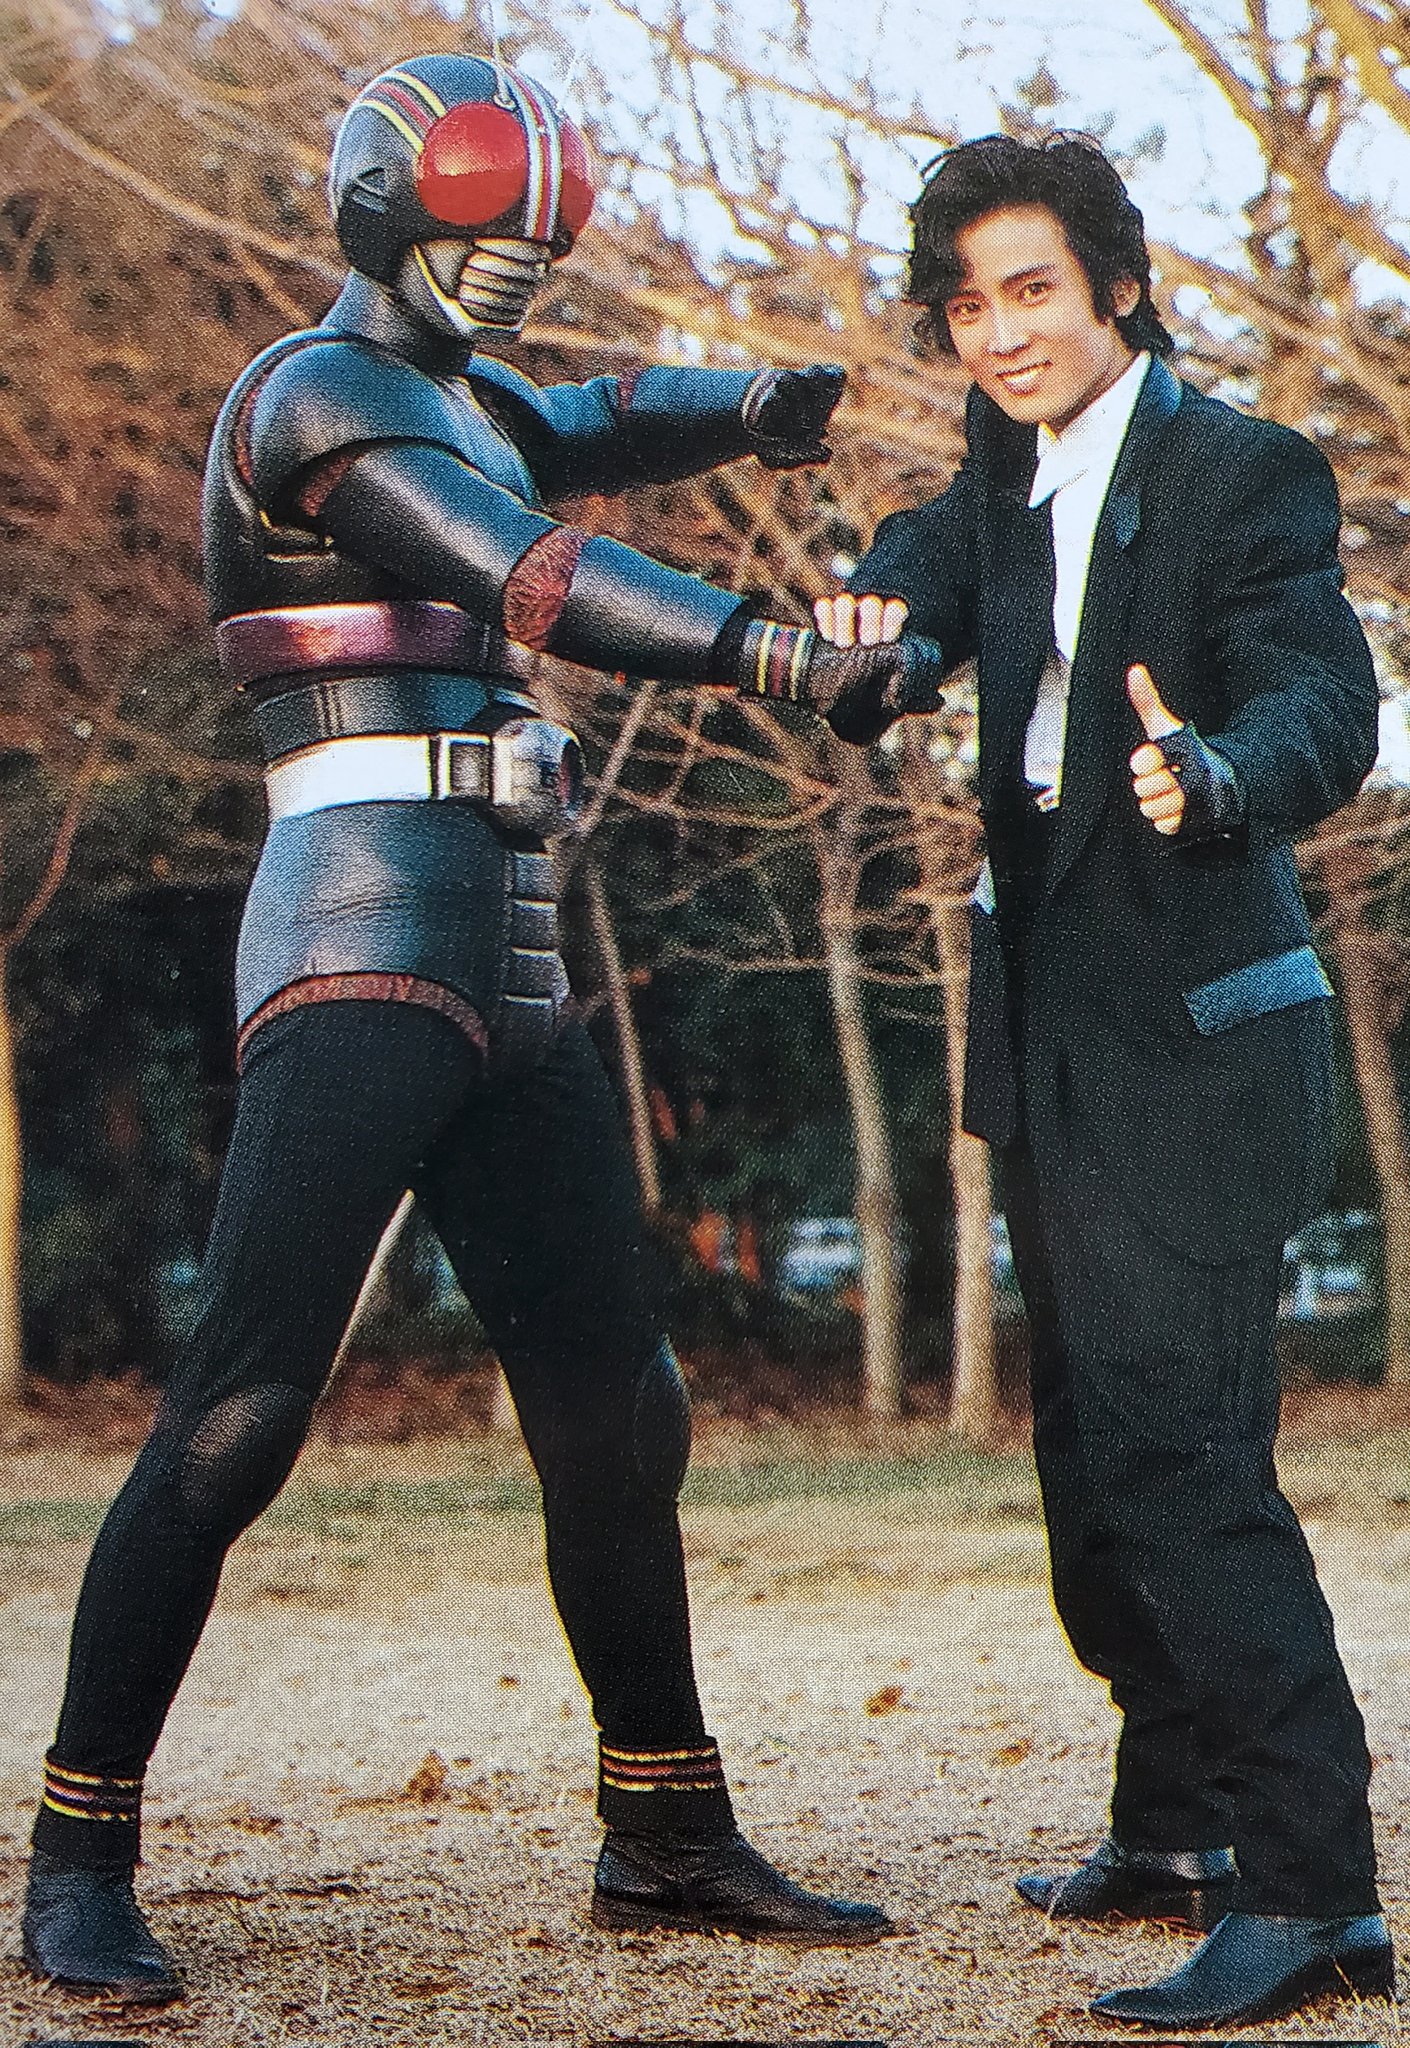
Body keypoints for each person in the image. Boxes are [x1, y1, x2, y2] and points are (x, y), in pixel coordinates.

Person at [20, 51, 931, 2002]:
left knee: (617, 1402)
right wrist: (773, 654)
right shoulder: (313, 393)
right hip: (358, 928)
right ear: (380, 206)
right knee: (241, 1410)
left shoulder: (473, 399)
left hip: (507, 943)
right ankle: (77, 1850)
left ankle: (663, 1825)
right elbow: (525, 568)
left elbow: (594, 418)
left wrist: (756, 404)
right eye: (478, 218)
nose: (514, 256)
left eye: (536, 225)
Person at [819, 131, 1391, 2030]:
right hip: (1052, 1045)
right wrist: (878, 614)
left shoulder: (1240, 470)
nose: (997, 334)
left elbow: (1322, 697)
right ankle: (1175, 1828)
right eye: (965, 306)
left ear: (1117, 290)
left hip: (1197, 1045)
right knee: (1089, 1467)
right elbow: (926, 553)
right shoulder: (1003, 479)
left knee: (1184, 1463)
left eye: (1031, 291)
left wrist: (1217, 773)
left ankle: (1311, 1894)